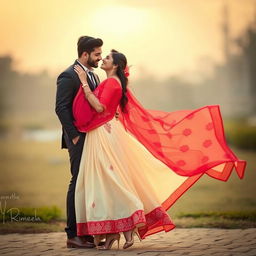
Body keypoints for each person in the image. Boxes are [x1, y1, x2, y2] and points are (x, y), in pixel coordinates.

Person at [72, 50, 247, 250]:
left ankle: (128, 218)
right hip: (109, 130)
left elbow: (100, 108)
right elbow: (114, 110)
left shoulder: (112, 82)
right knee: (111, 180)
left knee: (107, 181)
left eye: (108, 58)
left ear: (117, 66)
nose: (103, 59)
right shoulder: (115, 83)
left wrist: (84, 84)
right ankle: (118, 231)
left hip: (104, 133)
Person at [55, 36, 103, 248]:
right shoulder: (68, 76)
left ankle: (86, 233)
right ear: (85, 54)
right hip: (77, 138)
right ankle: (72, 235)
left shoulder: (94, 76)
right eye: (97, 54)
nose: (100, 58)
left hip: (92, 136)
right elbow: (61, 108)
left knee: (89, 184)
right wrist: (73, 135)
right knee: (77, 183)